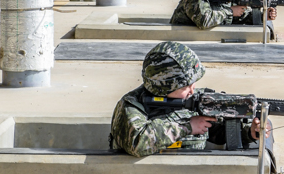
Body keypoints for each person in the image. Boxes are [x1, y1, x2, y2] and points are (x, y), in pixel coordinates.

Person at [109, 41, 263, 157]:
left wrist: (250, 132)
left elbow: (219, 132)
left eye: (192, 83)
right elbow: (137, 143)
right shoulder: (131, 106)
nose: (192, 90)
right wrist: (187, 126)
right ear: (163, 88)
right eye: (184, 87)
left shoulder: (194, 100)